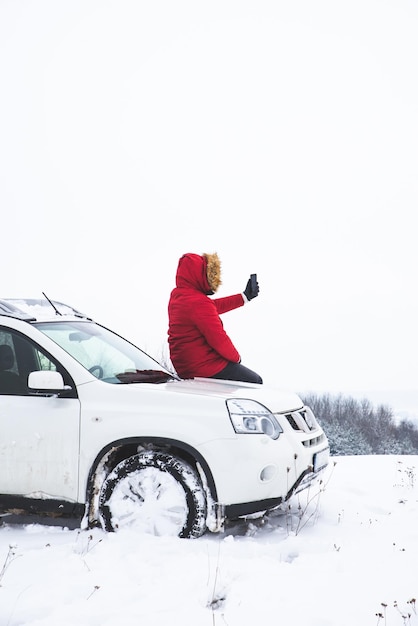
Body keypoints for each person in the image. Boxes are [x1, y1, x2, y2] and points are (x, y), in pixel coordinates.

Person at [168, 252, 262, 384]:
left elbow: (211, 307)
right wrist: (237, 359)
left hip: (184, 365)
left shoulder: (179, 297)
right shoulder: (198, 303)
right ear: (198, 274)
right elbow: (218, 339)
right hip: (203, 367)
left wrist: (244, 297)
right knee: (254, 381)